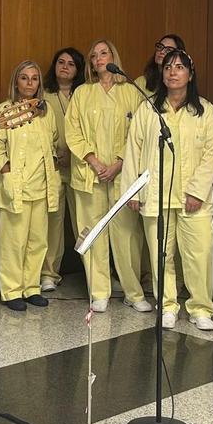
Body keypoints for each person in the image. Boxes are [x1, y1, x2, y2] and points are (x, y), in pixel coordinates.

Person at [123, 49, 213, 330]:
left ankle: (201, 308)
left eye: (180, 67)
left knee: (199, 255)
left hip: (194, 199)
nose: (173, 72)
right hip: (156, 195)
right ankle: (166, 305)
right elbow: (134, 150)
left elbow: (211, 153)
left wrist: (197, 191)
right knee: (160, 255)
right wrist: (134, 191)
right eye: (168, 67)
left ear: (190, 74)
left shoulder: (205, 110)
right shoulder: (149, 109)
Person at [65, 39, 150, 313]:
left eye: (104, 53)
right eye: (94, 55)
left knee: (126, 235)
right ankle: (99, 291)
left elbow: (139, 134)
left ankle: (133, 292)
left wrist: (118, 164)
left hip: (122, 175)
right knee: (92, 233)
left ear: (114, 56)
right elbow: (73, 132)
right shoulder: (82, 93)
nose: (99, 58)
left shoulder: (131, 93)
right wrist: (93, 161)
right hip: (89, 174)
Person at [0, 61, 60, 311]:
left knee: (37, 241)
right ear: (16, 82)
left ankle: (31, 288)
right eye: (24, 78)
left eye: (34, 78)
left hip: (42, 185)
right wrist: (5, 168)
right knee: (13, 242)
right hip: (16, 185)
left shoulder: (46, 111)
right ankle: (11, 291)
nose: (29, 83)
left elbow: (53, 141)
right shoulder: (4, 109)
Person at [40, 47, 85, 293]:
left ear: (78, 70)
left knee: (84, 222)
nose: (65, 67)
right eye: (60, 62)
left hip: (81, 167)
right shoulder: (44, 95)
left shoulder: (85, 94)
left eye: (71, 63)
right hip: (54, 166)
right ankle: (49, 273)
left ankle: (94, 275)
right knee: (53, 224)